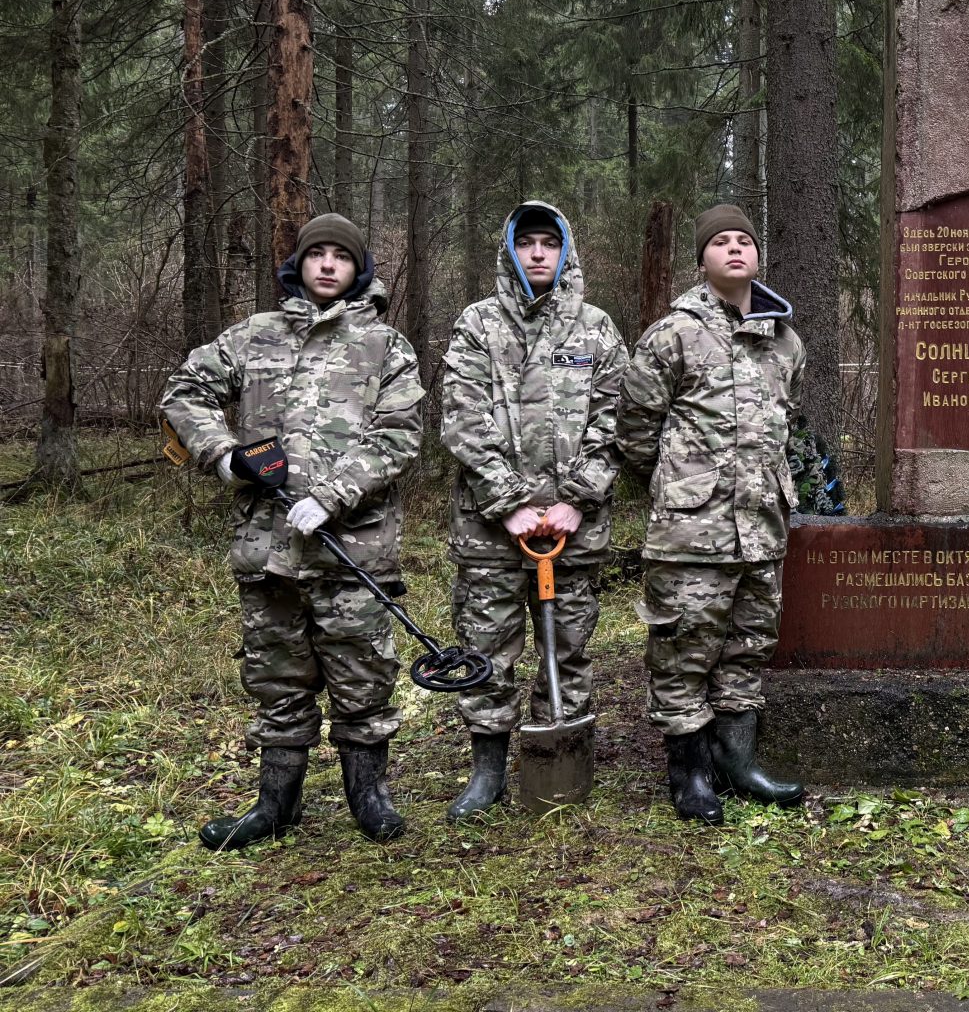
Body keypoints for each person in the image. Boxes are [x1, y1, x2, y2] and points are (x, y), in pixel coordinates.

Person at [161, 213, 423, 848]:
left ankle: (370, 797)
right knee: (276, 678)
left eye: (341, 256)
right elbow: (183, 391)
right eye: (317, 254)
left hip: (353, 549)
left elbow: (401, 434)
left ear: (358, 270)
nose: (328, 264)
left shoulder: (385, 346)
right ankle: (275, 805)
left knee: (362, 677)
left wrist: (334, 494)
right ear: (299, 265)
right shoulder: (254, 336)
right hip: (266, 546)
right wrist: (223, 454)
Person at [617, 203, 807, 824]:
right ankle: (690, 775)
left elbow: (783, 423)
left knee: (747, 648)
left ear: (757, 256)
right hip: (691, 530)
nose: (733, 250)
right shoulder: (673, 333)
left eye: (743, 241)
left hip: (763, 528)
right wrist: (682, 484)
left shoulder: (786, 339)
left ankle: (737, 763)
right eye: (719, 242)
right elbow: (637, 426)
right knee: (683, 652)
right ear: (701, 259)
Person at [438, 201, 626, 819]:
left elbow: (618, 422)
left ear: (567, 251)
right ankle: (487, 769)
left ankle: (559, 754)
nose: (539, 254)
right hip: (492, 530)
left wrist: (577, 499)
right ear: (510, 252)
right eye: (528, 244)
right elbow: (463, 422)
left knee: (568, 646)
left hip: (574, 530)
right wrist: (510, 503)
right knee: (488, 646)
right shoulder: (477, 325)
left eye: (549, 243)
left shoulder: (596, 328)